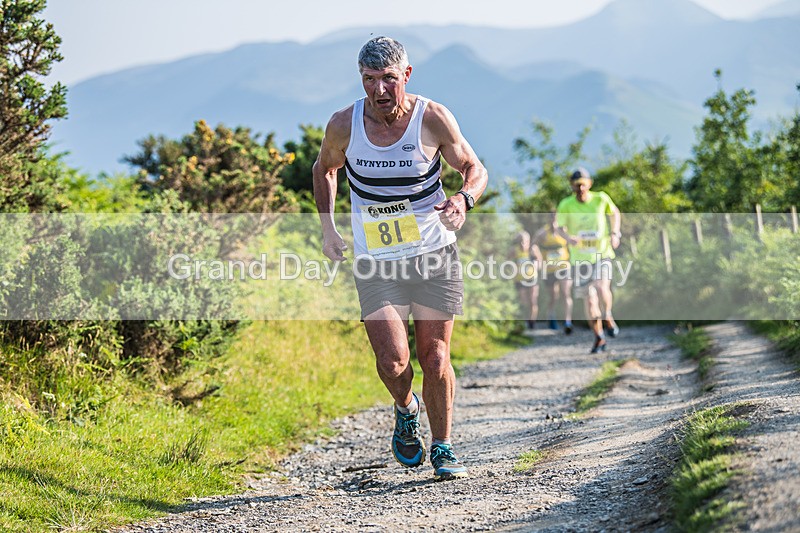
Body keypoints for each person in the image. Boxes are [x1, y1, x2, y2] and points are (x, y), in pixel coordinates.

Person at [312, 37, 488, 481]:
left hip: (432, 253)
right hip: (377, 260)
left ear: (406, 76)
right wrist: (328, 227)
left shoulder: (431, 118)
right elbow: (324, 170)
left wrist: (463, 200)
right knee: (393, 362)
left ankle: (444, 448)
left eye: (389, 79)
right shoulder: (344, 125)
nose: (380, 90)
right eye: (370, 80)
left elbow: (474, 168)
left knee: (434, 355)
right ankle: (406, 408)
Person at [555, 168, 621, 353]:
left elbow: (614, 213)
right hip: (580, 259)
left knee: (601, 287)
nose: (580, 188)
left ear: (589, 184)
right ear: (572, 186)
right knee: (590, 300)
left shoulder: (601, 198)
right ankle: (599, 337)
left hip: (602, 254)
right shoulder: (566, 204)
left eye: (583, 184)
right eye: (576, 185)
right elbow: (559, 228)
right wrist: (569, 238)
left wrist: (615, 233)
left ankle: (607, 315)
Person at [532, 212, 573, 334]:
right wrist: (537, 258)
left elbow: (574, 242)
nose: (553, 221)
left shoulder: (565, 230)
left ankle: (568, 322)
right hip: (548, 269)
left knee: (566, 293)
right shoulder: (542, 233)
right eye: (551, 218)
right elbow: (533, 246)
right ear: (548, 219)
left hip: (564, 266)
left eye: (556, 218)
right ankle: (551, 315)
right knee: (553, 296)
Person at [510, 230, 542, 330]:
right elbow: (507, 262)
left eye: (524, 241)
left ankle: (532, 322)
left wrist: (536, 264)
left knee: (533, 300)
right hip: (519, 279)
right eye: (520, 241)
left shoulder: (533, 249)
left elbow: (540, 261)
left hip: (532, 278)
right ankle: (525, 319)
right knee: (524, 301)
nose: (522, 243)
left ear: (529, 240)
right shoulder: (514, 250)